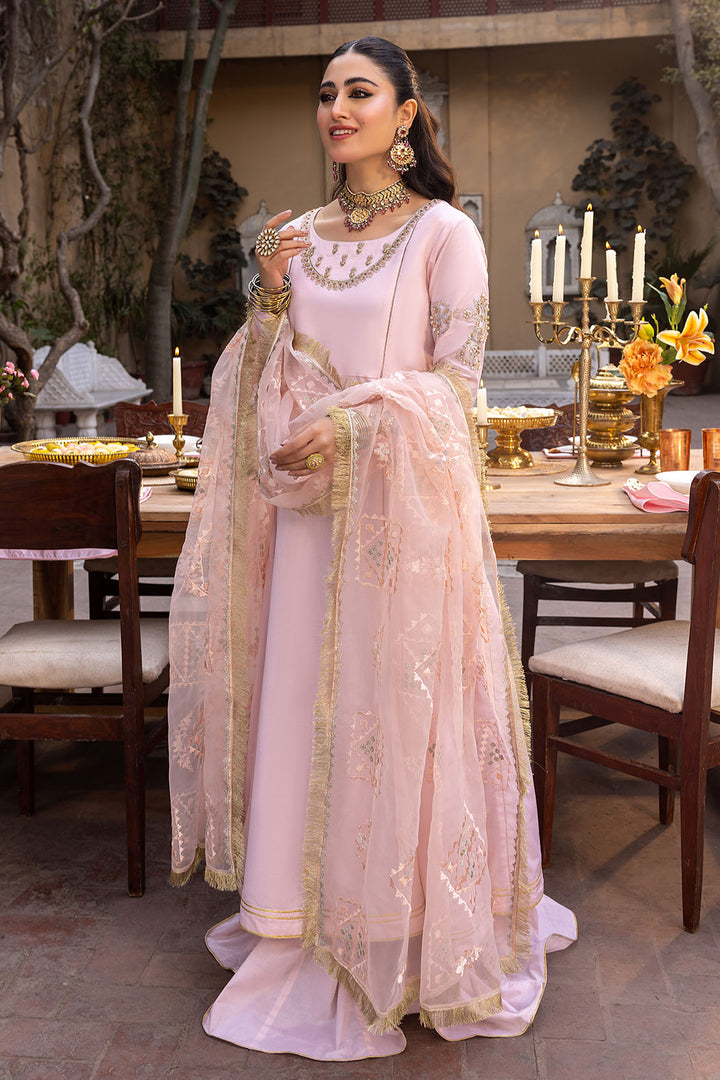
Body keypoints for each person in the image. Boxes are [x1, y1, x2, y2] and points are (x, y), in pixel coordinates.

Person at [168, 35, 576, 1061]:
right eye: (326, 93)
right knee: (307, 707)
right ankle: (293, 923)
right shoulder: (295, 236)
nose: (337, 108)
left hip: (402, 526)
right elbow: (255, 375)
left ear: (405, 115)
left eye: (360, 91)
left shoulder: (444, 231)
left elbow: (456, 384)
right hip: (309, 522)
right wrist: (269, 294)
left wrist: (355, 427)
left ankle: (404, 926)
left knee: (394, 711)